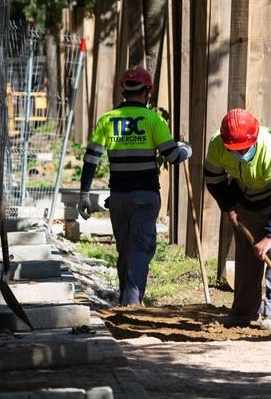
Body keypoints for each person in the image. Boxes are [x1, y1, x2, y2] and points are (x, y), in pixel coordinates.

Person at [78, 66, 192, 305]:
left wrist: (85, 194)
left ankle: (124, 300)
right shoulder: (154, 120)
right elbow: (172, 156)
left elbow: (91, 159)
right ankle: (131, 305)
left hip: (118, 197)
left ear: (123, 90)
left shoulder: (108, 120)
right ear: (147, 91)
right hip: (145, 197)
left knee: (126, 250)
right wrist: (186, 149)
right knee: (139, 249)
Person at [204, 108, 271, 330]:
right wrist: (229, 206)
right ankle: (244, 312)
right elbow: (214, 180)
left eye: (244, 149)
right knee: (248, 251)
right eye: (234, 150)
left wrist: (270, 236)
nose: (240, 154)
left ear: (255, 137)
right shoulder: (217, 145)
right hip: (245, 191)